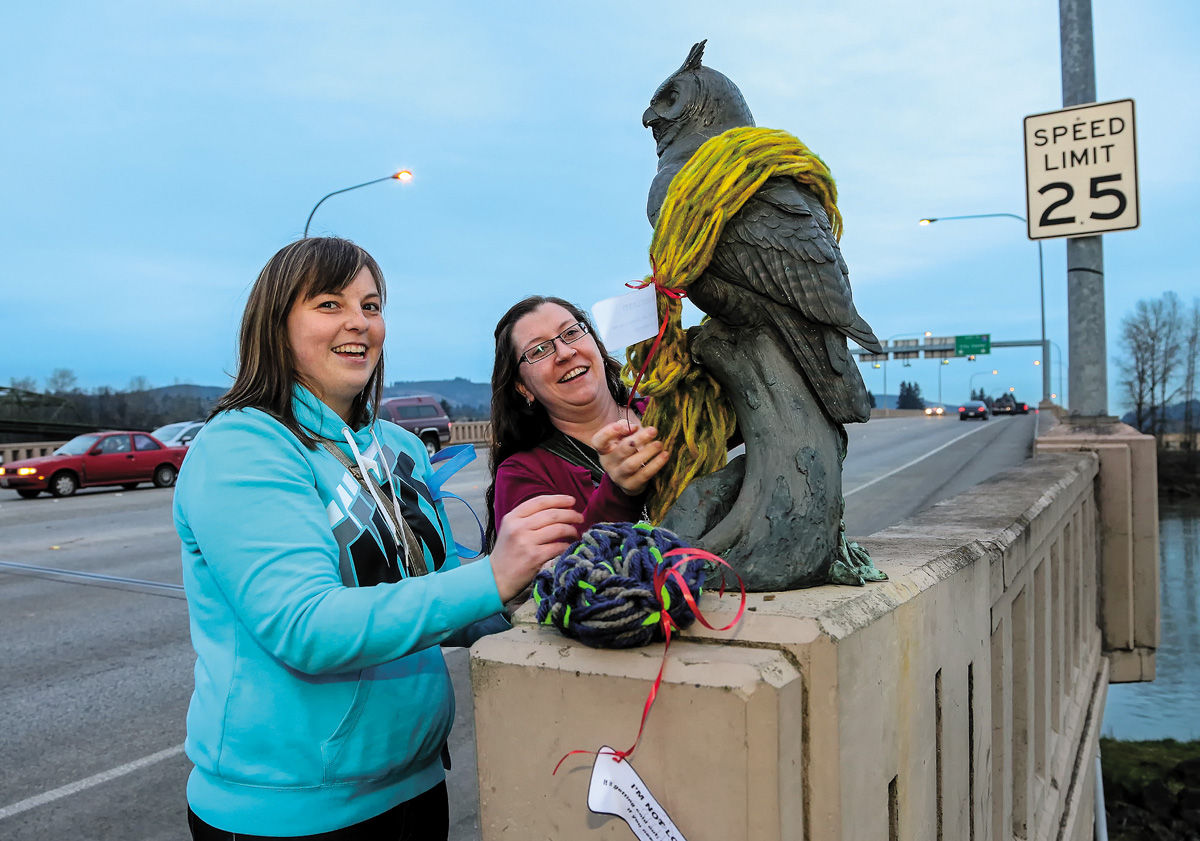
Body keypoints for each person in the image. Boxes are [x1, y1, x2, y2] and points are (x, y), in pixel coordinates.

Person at [173, 238, 581, 840]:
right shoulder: (242, 446)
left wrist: (539, 597)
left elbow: (440, 603)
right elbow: (306, 626)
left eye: (371, 305)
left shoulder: (401, 448)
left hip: (416, 784)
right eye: (330, 304)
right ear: (275, 323)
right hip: (289, 814)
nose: (358, 323)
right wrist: (493, 574)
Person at [484, 295, 670, 551]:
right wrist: (618, 492)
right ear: (523, 387)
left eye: (571, 333)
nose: (565, 352)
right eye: (539, 350)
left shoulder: (670, 412)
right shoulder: (523, 474)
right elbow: (552, 578)